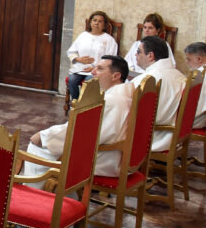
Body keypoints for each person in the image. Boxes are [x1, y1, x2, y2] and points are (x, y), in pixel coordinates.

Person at [23, 56, 133, 184]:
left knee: (37, 147)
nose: (93, 71)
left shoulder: (110, 100)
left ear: (116, 76)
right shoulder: (125, 94)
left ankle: (36, 195)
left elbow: (79, 131)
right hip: (114, 155)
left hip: (103, 159)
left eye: (100, 69)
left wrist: (44, 136)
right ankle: (68, 197)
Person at [138, 36, 188, 152]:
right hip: (173, 134)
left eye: (138, 52)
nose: (136, 55)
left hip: (153, 137)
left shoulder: (149, 79)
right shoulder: (179, 75)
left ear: (150, 56)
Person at [65, 11, 119, 100]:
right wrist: (79, 59)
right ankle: (75, 103)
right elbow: (71, 51)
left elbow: (110, 59)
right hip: (80, 68)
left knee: (89, 82)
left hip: (97, 71)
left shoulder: (109, 40)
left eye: (100, 21)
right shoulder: (83, 36)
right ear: (90, 22)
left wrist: (95, 67)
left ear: (104, 25)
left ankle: (84, 105)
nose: (96, 23)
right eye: (94, 20)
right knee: (72, 80)